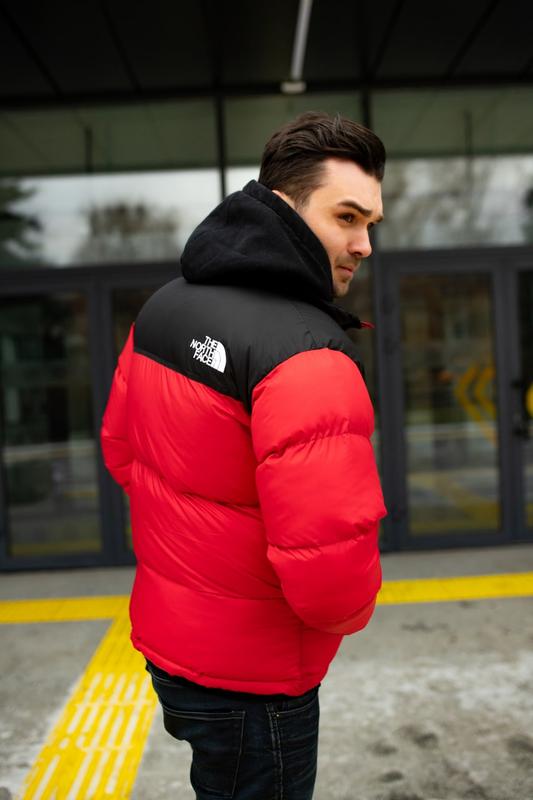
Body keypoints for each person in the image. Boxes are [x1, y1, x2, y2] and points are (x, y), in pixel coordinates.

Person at [101, 111, 387, 800]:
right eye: (346, 217)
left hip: (173, 647)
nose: (364, 244)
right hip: (258, 679)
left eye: (371, 223)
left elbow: (121, 453)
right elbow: (332, 585)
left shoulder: (163, 308)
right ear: (283, 205)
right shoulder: (307, 354)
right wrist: (349, 611)